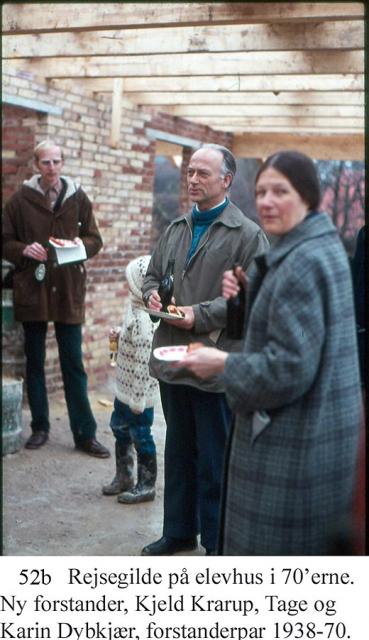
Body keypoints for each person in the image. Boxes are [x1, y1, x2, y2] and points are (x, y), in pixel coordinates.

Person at [177, 150, 362, 555]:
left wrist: (223, 364)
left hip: (294, 445)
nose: (266, 201)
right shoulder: (316, 244)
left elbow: (290, 368)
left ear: (308, 197)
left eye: (281, 191)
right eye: (261, 191)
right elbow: (285, 325)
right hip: (316, 439)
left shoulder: (302, 262)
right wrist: (245, 300)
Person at [141, 143, 269, 555]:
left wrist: (200, 315)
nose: (193, 179)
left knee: (214, 460)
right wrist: (153, 298)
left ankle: (218, 544)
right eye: (190, 172)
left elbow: (252, 298)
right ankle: (179, 532)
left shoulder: (248, 234)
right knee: (178, 451)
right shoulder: (176, 228)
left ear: (226, 180)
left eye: (203, 173)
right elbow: (153, 277)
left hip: (215, 361)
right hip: (172, 358)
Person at [2, 140, 110, 458]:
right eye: (46, 162)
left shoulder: (77, 197)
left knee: (73, 362)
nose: (52, 168)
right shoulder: (20, 201)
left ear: (63, 163)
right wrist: (23, 249)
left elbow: (95, 239)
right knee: (34, 360)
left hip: (67, 289)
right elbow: (3, 240)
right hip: (32, 288)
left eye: (57, 162)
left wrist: (80, 243)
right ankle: (40, 427)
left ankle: (85, 434)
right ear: (36, 165)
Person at [102, 255, 159, 503]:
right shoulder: (133, 308)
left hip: (139, 394)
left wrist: (138, 400)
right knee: (119, 427)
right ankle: (124, 475)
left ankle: (146, 483)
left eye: (130, 281)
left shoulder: (145, 321)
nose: (127, 286)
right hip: (123, 390)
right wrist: (120, 333)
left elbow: (144, 366)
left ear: (140, 285)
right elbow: (129, 334)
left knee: (141, 435)